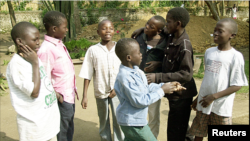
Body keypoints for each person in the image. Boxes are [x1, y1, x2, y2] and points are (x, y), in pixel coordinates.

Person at [134, 7, 198, 141]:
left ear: (178, 24)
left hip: (182, 95)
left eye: (168, 22)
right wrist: (142, 30)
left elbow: (186, 74)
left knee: (175, 131)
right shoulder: (171, 34)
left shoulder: (184, 46)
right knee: (178, 125)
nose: (166, 25)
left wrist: (158, 77)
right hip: (174, 94)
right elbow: (157, 28)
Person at [114, 38, 186, 141]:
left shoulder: (137, 71)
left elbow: (146, 88)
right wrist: (162, 91)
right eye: (138, 53)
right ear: (129, 57)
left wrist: (167, 85)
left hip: (135, 121)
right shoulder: (125, 77)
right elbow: (140, 101)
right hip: (132, 123)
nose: (141, 55)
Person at [189, 18, 248, 141]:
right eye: (215, 30)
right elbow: (209, 79)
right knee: (198, 133)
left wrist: (213, 97)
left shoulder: (235, 56)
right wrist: (200, 97)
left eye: (220, 31)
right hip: (204, 103)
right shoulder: (209, 52)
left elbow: (237, 85)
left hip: (221, 107)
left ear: (232, 35)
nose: (215, 33)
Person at [6, 21, 60, 141]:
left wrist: (53, 92)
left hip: (47, 124)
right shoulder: (17, 65)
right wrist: (35, 63)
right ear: (20, 41)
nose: (38, 42)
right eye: (34, 39)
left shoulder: (33, 57)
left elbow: (43, 79)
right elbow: (34, 92)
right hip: (34, 128)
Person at [79, 19, 124, 141]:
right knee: (103, 120)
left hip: (117, 92)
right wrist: (84, 96)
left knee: (118, 120)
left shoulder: (120, 48)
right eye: (104, 28)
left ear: (114, 31)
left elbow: (125, 71)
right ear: (98, 32)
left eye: (110, 28)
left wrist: (119, 87)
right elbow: (87, 73)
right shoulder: (93, 50)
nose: (107, 31)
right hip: (100, 91)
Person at [38, 11, 79, 141]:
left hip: (69, 95)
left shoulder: (58, 44)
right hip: (61, 98)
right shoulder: (46, 49)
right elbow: (43, 77)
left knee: (68, 127)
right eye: (64, 27)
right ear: (54, 29)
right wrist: (57, 96)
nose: (67, 29)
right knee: (62, 130)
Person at [134, 15, 167, 138]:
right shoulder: (139, 38)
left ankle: (152, 137)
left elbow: (169, 61)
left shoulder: (165, 42)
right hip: (137, 81)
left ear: (159, 31)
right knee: (138, 111)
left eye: (151, 26)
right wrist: (142, 29)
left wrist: (159, 63)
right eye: (146, 24)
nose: (146, 27)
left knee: (153, 114)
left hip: (154, 84)